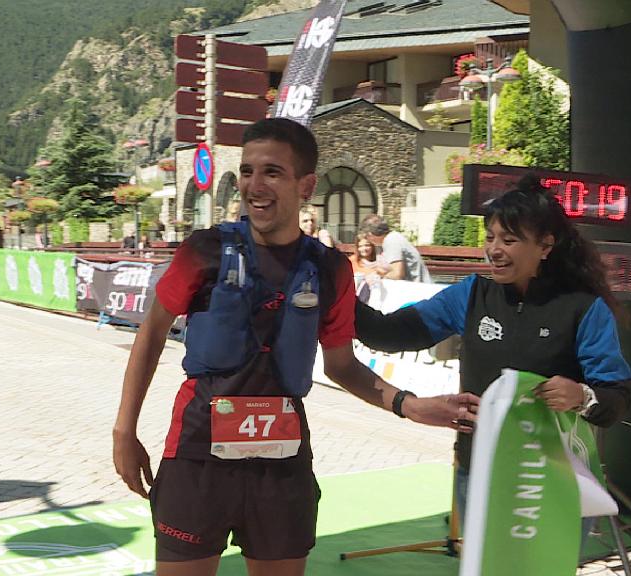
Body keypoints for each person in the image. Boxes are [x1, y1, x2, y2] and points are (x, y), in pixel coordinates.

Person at [112, 117, 477, 576]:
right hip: (196, 455)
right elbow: (151, 334)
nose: (254, 185)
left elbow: (342, 366)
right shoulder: (204, 250)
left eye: (272, 172)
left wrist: (409, 405)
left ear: (306, 185)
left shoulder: (331, 270)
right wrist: (125, 431)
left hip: (282, 467)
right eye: (247, 171)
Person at [354, 176, 631, 522]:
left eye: (510, 240)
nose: (494, 249)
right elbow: (387, 334)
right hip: (479, 472)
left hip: (552, 477)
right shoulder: (471, 295)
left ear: (546, 246)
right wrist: (332, 291)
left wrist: (582, 395)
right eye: (490, 238)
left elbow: (616, 398)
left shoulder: (583, 308)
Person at [359, 214, 431, 283]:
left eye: (366, 236)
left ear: (370, 234)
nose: (368, 240)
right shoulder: (389, 239)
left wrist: (377, 278)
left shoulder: (392, 241)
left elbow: (397, 274)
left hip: (418, 290)